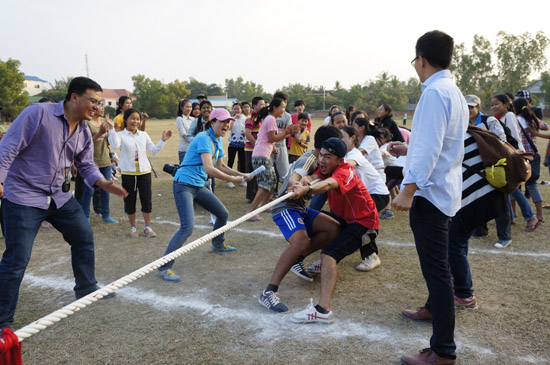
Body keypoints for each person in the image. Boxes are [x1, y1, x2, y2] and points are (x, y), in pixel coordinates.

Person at [0, 77, 128, 331]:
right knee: (17, 259)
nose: (98, 108)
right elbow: (8, 148)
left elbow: (87, 164)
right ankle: (2, 321)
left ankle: (86, 288)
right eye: (93, 101)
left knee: (83, 236)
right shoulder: (37, 113)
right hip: (24, 197)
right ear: (74, 97)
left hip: (58, 196)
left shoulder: (83, 131)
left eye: (100, 103)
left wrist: (103, 183)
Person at [391, 30, 467, 365]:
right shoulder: (452, 91)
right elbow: (440, 142)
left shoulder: (436, 93)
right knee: (439, 268)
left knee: (437, 272)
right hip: (443, 190)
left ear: (421, 59)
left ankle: (443, 352)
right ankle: (431, 309)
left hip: (431, 195)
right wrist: (409, 149)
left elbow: (431, 148)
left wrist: (409, 188)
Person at [287, 138, 379, 324]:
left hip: (364, 224)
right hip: (346, 220)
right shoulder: (326, 167)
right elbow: (316, 176)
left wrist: (308, 189)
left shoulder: (344, 171)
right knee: (314, 220)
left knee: (328, 255)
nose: (322, 160)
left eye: (328, 157)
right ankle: (298, 258)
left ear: (339, 160)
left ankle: (322, 310)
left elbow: (328, 184)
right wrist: (305, 180)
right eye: (321, 154)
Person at [157, 109, 249, 282]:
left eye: (228, 122)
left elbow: (220, 165)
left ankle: (217, 244)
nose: (226, 125)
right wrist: (232, 179)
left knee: (223, 214)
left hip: (199, 186)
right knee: (187, 228)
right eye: (222, 121)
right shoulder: (203, 138)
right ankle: (164, 267)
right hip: (184, 185)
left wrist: (242, 175)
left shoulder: (217, 140)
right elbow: (209, 168)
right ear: (212, 122)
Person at [259, 126, 342, 313]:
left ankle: (299, 259)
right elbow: (296, 175)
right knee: (301, 241)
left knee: (333, 228)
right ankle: (268, 291)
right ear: (325, 148)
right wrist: (296, 184)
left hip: (301, 208)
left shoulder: (325, 164)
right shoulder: (309, 159)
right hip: (286, 207)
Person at [107, 108, 172, 238]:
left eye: (137, 119)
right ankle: (133, 227)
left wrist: (162, 141)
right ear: (126, 120)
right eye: (132, 118)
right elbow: (114, 145)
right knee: (130, 201)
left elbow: (153, 151)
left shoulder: (143, 135)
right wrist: (111, 129)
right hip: (128, 173)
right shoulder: (120, 135)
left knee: (146, 200)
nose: (135, 121)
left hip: (144, 172)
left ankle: (147, 227)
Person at [341, 126, 389, 271]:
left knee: (361, 220)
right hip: (365, 195)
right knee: (348, 219)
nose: (340, 140)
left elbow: (348, 166)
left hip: (378, 194)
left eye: (342, 137)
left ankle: (371, 256)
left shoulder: (354, 154)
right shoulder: (345, 156)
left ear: (352, 138)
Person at [246, 98, 300, 221]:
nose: (284, 110)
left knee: (272, 180)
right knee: (265, 185)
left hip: (261, 154)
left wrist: (288, 132)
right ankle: (250, 212)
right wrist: (287, 131)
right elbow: (272, 138)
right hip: (261, 155)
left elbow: (270, 139)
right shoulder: (271, 119)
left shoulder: (270, 119)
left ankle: (264, 206)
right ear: (275, 108)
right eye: (282, 107)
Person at [80, 100, 118, 223]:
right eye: (101, 105)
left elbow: (107, 142)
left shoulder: (103, 122)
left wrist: (111, 155)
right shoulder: (86, 123)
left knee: (106, 188)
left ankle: (105, 215)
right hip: (91, 161)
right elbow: (85, 143)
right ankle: (85, 216)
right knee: (89, 190)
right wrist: (100, 133)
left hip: (105, 160)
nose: (103, 108)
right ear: (94, 108)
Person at [513, 97, 549, 224]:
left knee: (515, 185)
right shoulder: (532, 119)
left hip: (520, 156)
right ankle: (540, 215)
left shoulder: (515, 120)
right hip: (533, 155)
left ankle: (514, 214)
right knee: (533, 185)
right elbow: (546, 126)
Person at [244, 97, 266, 202]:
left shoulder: (261, 117)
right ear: (254, 106)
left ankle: (257, 195)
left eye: (264, 104)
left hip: (259, 150)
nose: (263, 106)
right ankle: (251, 196)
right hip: (251, 149)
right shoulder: (250, 117)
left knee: (259, 172)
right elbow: (247, 133)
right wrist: (257, 145)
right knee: (251, 173)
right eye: (260, 104)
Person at [272, 91, 292, 193]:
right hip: (269, 147)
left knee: (284, 172)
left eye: (285, 102)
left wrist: (278, 137)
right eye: (282, 102)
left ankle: (285, 194)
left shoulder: (287, 116)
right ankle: (270, 194)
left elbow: (289, 132)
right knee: (270, 173)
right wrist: (272, 143)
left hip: (281, 145)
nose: (284, 104)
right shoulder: (269, 115)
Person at [227, 102, 247, 188]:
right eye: (235, 109)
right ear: (232, 110)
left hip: (242, 143)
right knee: (230, 161)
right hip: (232, 143)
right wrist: (233, 120)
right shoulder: (231, 118)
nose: (236, 110)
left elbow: (246, 129)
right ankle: (229, 180)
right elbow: (229, 128)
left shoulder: (245, 118)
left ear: (241, 109)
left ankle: (242, 179)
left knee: (242, 161)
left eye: (238, 109)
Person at [176, 99, 193, 164]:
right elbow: (183, 134)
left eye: (190, 107)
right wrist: (195, 141)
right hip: (184, 150)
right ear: (182, 108)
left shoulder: (193, 119)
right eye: (187, 107)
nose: (189, 109)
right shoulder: (179, 119)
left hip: (194, 149)